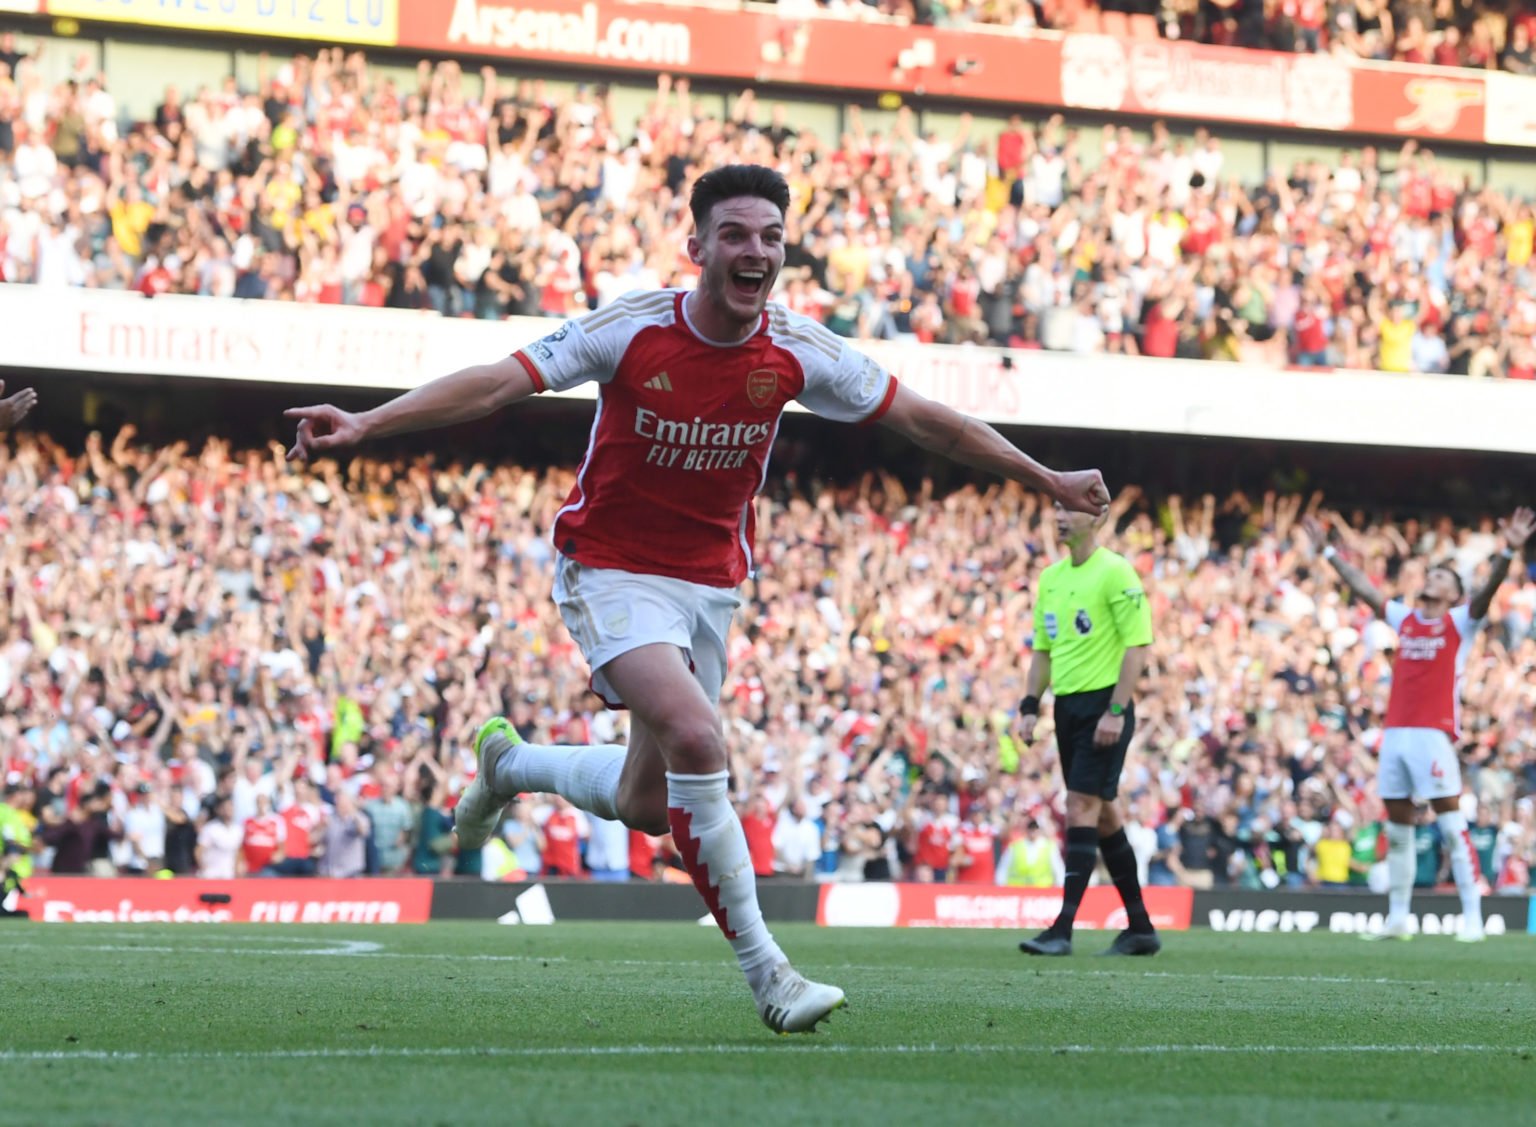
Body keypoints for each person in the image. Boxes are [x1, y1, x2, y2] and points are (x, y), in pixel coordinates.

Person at [283, 163, 1109, 1034]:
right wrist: (370, 423)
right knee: (696, 733)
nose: (756, 251)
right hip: (609, 566)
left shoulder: (797, 349)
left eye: (771, 238)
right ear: (698, 248)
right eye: (736, 235)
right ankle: (772, 974)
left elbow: (928, 422)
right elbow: (498, 381)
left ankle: (511, 764)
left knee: (648, 801)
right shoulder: (633, 328)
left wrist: (1043, 473)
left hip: (710, 584)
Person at [1305, 506, 1535, 941]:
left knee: (1450, 822)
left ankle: (1472, 916)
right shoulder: (1405, 620)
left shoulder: (1460, 622)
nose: (1433, 579)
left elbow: (1486, 592)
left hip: (1433, 734)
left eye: (1443, 578)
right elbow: (1364, 590)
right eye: (1433, 575)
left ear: (1454, 594)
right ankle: (1397, 917)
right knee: (1398, 825)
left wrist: (1508, 552)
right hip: (1395, 734)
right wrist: (1329, 553)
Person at [1016, 500, 1159, 957]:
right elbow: (1042, 649)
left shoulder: (1115, 572)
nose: (1058, 516)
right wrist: (1029, 705)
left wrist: (1115, 711)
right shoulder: (1051, 578)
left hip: (1104, 703)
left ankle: (1062, 929)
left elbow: (1137, 645)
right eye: (1055, 508)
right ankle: (1140, 928)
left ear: (1096, 518)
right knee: (1102, 814)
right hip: (1067, 707)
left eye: (1069, 509)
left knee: (1079, 804)